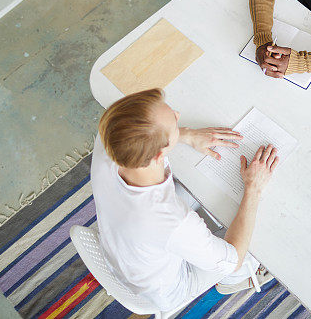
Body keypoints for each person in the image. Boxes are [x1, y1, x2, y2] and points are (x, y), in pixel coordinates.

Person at [90, 89, 279, 310]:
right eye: (173, 121)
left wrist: (185, 134)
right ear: (159, 156)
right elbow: (232, 260)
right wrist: (253, 188)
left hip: (125, 250)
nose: (178, 114)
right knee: (260, 242)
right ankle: (231, 283)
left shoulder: (110, 137)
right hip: (170, 288)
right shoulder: (171, 220)